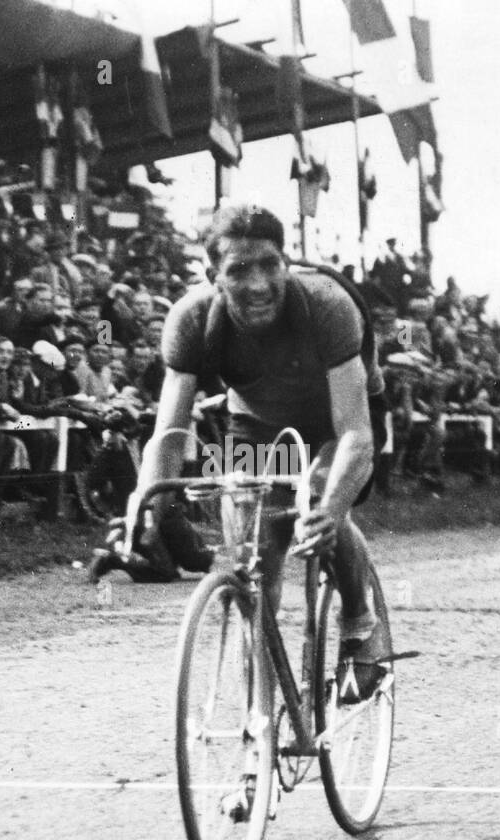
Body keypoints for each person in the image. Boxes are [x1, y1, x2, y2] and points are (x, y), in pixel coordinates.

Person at [110, 203, 388, 704]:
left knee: (318, 498)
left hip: (339, 422)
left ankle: (359, 624)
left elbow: (355, 435)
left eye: (269, 265)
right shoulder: (192, 318)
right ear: (212, 275)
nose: (258, 284)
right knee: (255, 555)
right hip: (256, 423)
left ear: (286, 262)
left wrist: (330, 508)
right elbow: (170, 433)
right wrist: (145, 504)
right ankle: (261, 713)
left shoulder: (327, 304)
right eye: (239, 270)